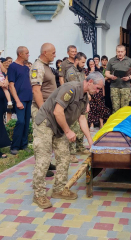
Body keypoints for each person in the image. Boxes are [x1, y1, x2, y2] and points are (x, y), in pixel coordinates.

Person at [32, 72, 104, 208]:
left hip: (59, 127)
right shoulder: (70, 89)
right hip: (45, 124)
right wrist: (68, 131)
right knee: (44, 159)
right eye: (98, 88)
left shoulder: (85, 97)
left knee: (65, 157)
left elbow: (82, 118)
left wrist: (90, 141)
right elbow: (57, 112)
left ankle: (59, 189)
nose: (98, 91)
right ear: (89, 82)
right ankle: (39, 194)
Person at [30, 43, 57, 176]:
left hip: (49, 107)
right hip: (42, 109)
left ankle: (47, 162)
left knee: (48, 138)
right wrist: (43, 111)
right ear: (45, 52)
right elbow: (36, 90)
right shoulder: (38, 67)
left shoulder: (46, 66)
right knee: (42, 139)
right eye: (53, 53)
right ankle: (42, 167)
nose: (55, 55)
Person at [8, 46, 33, 155]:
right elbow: (11, 85)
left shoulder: (26, 68)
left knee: (27, 122)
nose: (28, 55)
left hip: (29, 98)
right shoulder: (13, 67)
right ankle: (15, 146)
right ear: (20, 54)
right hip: (20, 98)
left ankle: (24, 144)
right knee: (20, 121)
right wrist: (17, 100)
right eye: (27, 53)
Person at [65, 52, 89, 161]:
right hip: (73, 102)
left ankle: (80, 146)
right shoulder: (71, 72)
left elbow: (85, 86)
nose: (84, 64)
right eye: (82, 62)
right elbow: (75, 88)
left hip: (82, 101)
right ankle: (71, 153)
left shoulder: (81, 71)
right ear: (76, 60)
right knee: (73, 127)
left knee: (81, 126)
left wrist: (87, 102)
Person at [105, 45, 131, 113]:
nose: (120, 53)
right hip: (114, 87)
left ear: (125, 52)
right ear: (116, 52)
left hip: (126, 87)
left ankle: (124, 123)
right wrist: (111, 76)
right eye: (118, 51)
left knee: (124, 109)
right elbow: (106, 73)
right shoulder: (111, 60)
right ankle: (116, 123)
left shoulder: (129, 61)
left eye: (121, 51)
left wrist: (128, 78)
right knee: (115, 108)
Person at [86, 58, 110, 130]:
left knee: (100, 107)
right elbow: (86, 82)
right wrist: (91, 73)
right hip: (91, 92)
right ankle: (92, 124)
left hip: (98, 92)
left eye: (93, 64)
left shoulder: (98, 71)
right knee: (92, 108)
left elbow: (101, 82)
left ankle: (101, 123)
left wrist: (103, 92)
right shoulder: (86, 71)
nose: (92, 65)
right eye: (90, 64)